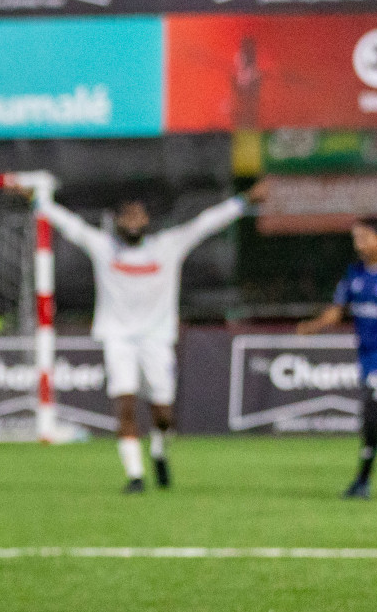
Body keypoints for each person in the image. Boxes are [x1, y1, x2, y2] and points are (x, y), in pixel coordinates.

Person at [37, 181, 268, 492]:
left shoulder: (167, 246)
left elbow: (206, 224)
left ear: (146, 221)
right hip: (117, 337)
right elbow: (70, 225)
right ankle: (135, 475)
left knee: (162, 413)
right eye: (127, 217)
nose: (133, 222)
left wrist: (243, 201)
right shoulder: (103, 247)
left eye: (138, 217)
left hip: (156, 338)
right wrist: (36, 200)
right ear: (117, 221)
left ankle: (159, 450)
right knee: (125, 404)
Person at [297, 215, 377, 498]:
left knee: (372, 414)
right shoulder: (354, 274)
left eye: (365, 238)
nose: (359, 244)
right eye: (356, 239)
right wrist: (314, 326)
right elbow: (337, 310)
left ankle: (362, 482)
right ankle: (362, 482)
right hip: (367, 356)